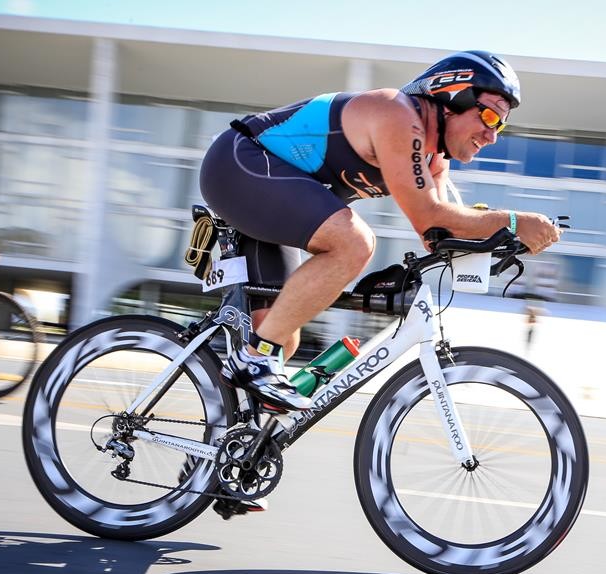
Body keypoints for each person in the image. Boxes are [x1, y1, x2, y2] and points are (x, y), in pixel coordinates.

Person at [200, 51, 562, 410]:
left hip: (270, 195)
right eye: (488, 115)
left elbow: (436, 232)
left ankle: (222, 451)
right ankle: (252, 361)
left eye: (500, 125)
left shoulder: (434, 161)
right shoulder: (396, 113)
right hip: (238, 164)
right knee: (354, 243)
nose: (492, 134)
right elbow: (429, 215)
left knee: (279, 334)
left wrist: (500, 241)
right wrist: (514, 221)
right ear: (451, 96)